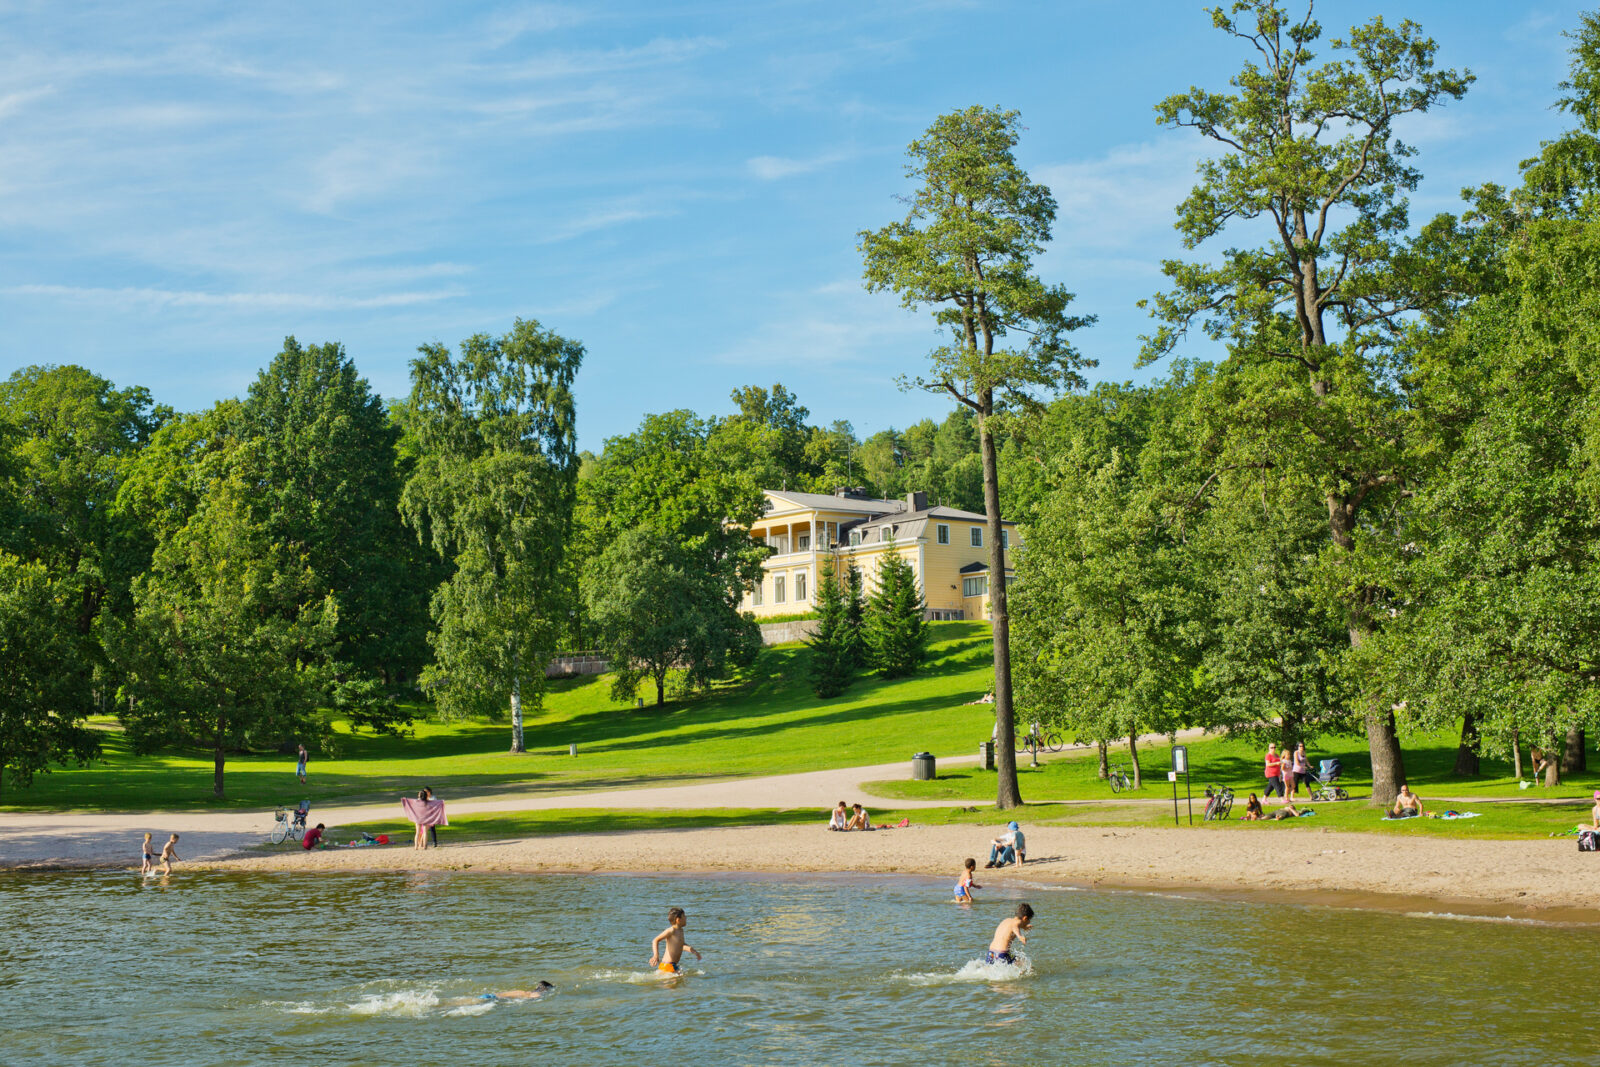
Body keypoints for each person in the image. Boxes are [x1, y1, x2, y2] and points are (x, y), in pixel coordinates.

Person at [649, 907, 701, 975]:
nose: (686, 918)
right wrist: (656, 955)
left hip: (673, 965)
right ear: (678, 920)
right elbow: (655, 940)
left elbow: (681, 945)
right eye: (684, 916)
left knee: (681, 982)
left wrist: (694, 952)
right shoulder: (671, 930)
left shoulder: (680, 931)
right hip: (668, 965)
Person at [445, 981, 554, 1006]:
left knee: (456, 1003)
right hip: (491, 999)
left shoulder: (520, 991)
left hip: (490, 995)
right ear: (544, 989)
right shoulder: (535, 995)